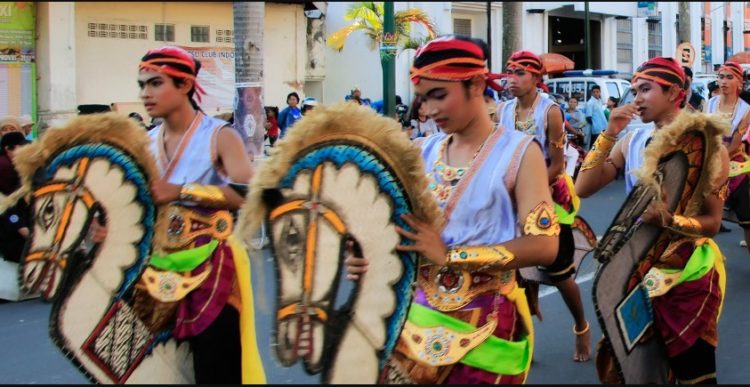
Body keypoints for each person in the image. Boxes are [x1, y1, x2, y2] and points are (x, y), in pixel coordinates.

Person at [347, 34, 560, 384]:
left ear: (476, 84)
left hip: (487, 322)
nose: (428, 110)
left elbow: (545, 246)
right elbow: (403, 232)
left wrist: (451, 256)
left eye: (438, 95)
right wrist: (368, 258)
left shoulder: (520, 152)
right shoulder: (420, 152)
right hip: (414, 318)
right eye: (422, 99)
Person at [109, 45, 264, 383]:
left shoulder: (220, 136)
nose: (145, 94)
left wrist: (182, 191)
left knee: (215, 370)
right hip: (155, 270)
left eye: (155, 83)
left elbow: (249, 193)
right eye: (142, 85)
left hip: (212, 268)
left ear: (184, 85)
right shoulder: (145, 143)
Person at [575, 57, 728, 384]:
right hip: (634, 273)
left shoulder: (706, 144)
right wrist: (609, 132)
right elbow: (583, 187)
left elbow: (713, 223)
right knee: (635, 370)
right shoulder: (632, 140)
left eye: (645, 89)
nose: (636, 99)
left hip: (687, 274)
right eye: (633, 91)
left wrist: (670, 220)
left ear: (673, 91)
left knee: (694, 373)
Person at [497, 50, 591, 362]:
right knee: (517, 271)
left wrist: (525, 187)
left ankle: (581, 326)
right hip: (518, 194)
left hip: (551, 194)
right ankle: (523, 338)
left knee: (561, 274)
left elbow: (556, 164)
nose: (512, 78)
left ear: (537, 79)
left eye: (520, 72)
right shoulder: (504, 110)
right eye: (509, 71)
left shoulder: (549, 112)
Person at [703, 60, 750, 252]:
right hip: (708, 162)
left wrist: (715, 160)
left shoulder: (746, 110)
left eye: (729, 77)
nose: (723, 81)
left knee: (747, 219)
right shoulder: (710, 104)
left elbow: (734, 145)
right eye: (721, 77)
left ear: (739, 82)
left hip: (734, 167)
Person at [0, 131, 30, 264]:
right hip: (13, 235)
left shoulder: (25, 168)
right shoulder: (3, 170)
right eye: (20, 147)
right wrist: (19, 226)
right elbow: (5, 205)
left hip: (30, 231)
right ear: (8, 150)